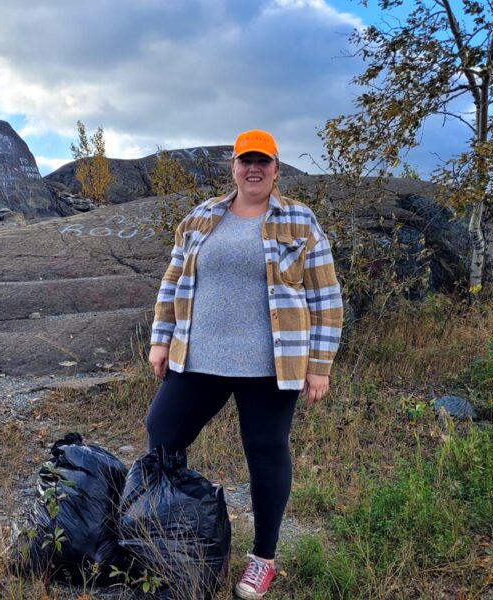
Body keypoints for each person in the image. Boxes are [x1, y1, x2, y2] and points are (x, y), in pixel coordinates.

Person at [146, 129, 343, 599]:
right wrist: (160, 340)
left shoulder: (299, 220)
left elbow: (327, 297)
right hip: (198, 356)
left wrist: (320, 365)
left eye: (263, 162)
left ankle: (262, 559)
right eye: (245, 161)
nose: (253, 169)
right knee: (162, 434)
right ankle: (172, 530)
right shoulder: (201, 217)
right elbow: (173, 280)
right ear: (233, 167)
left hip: (270, 364)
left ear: (276, 170)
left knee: (266, 451)